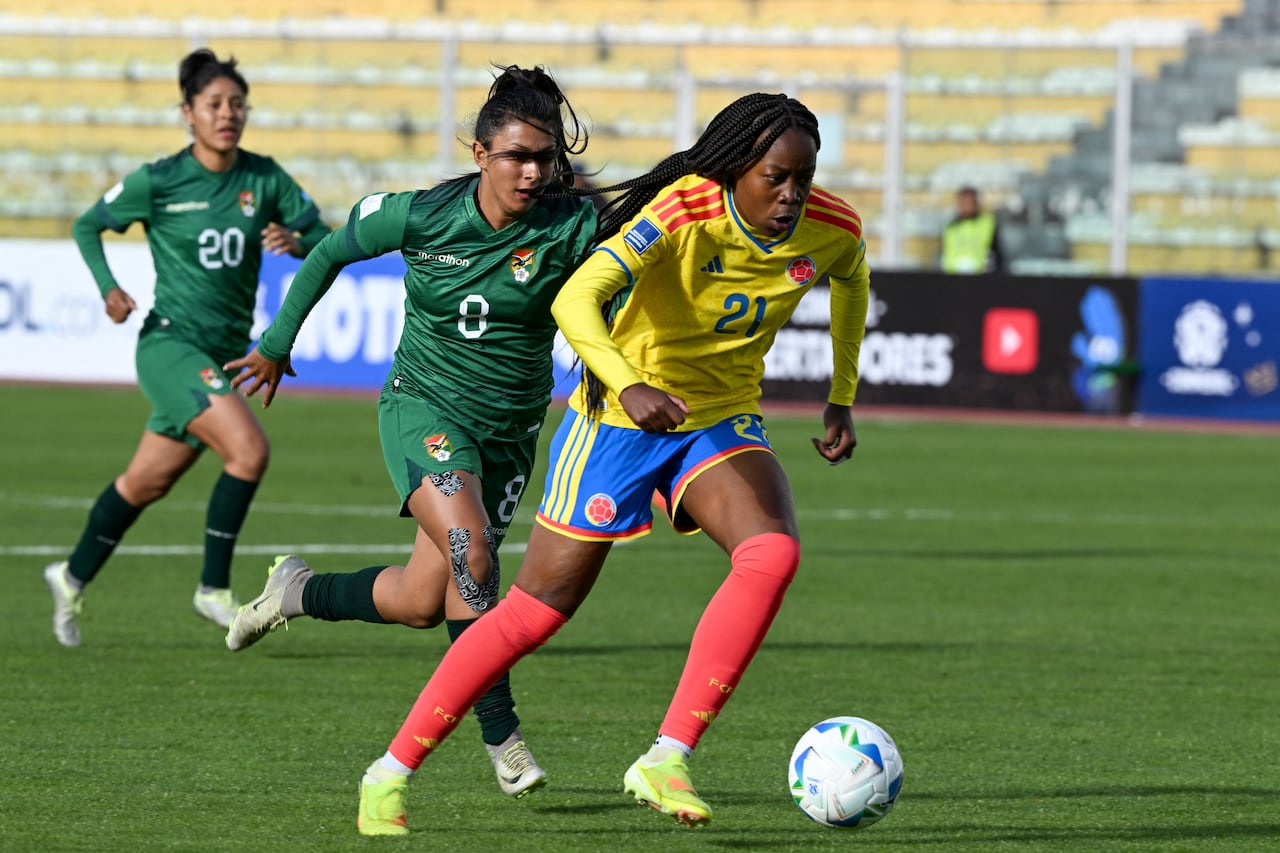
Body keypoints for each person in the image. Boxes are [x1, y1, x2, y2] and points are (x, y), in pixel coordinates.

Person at [341, 91, 870, 836]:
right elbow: (576, 300)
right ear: (736, 168)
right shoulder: (685, 211)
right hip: (617, 421)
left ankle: (667, 754)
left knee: (772, 552)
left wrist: (840, 396)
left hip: (716, 421)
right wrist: (630, 381)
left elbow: (852, 278)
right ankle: (389, 772)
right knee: (533, 612)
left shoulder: (832, 227)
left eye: (803, 179)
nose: (790, 196)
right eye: (775, 177)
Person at [221, 65, 597, 801]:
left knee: (424, 600)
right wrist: (277, 341)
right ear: (480, 152)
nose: (531, 172)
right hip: (423, 408)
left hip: (511, 431)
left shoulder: (574, 227)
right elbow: (329, 252)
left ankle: (298, 589)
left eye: (544, 158)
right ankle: (504, 738)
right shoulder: (422, 214)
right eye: (516, 155)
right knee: (474, 555)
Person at [42, 48, 329, 647]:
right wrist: (108, 287)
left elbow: (324, 236)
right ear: (188, 113)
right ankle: (213, 591)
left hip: (220, 353)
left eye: (237, 104)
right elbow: (86, 224)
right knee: (248, 452)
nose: (228, 114)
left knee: (144, 483)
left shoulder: (264, 178)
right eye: (215, 104)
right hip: (170, 345)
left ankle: (68, 576)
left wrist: (297, 238)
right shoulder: (161, 180)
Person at [940, 185, 1004, 273]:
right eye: (963, 203)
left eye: (969, 203)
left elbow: (997, 255)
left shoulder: (988, 223)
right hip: (953, 279)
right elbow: (945, 254)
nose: (966, 206)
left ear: (976, 203)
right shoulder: (950, 227)